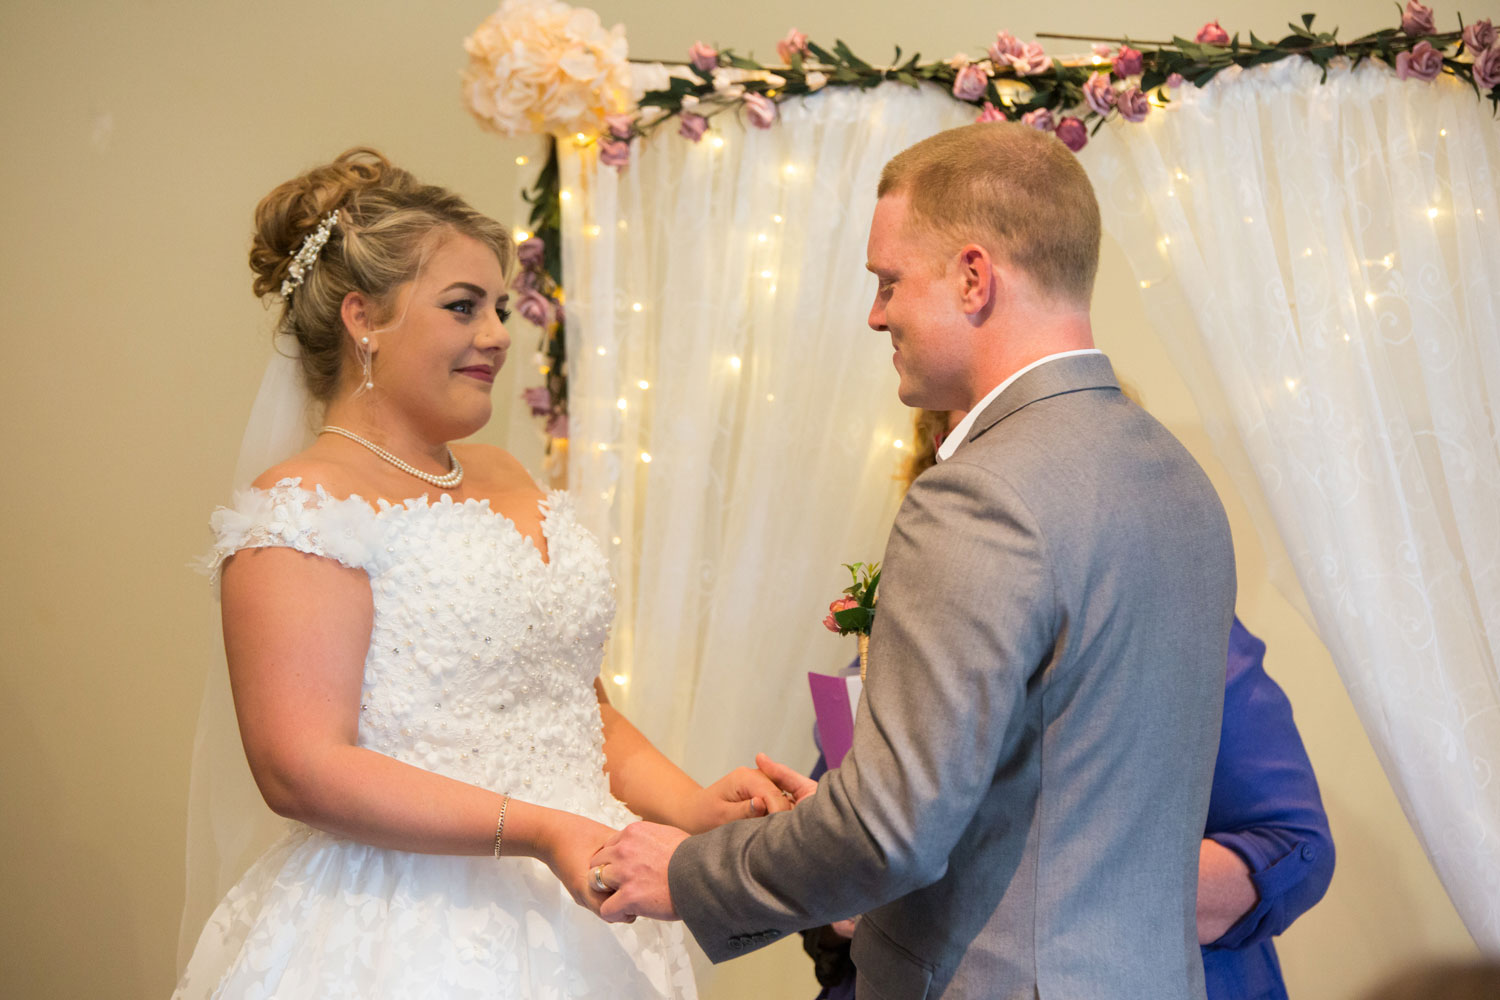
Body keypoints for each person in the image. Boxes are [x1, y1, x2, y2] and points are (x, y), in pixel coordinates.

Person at [591, 121, 1237, 999]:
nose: (875, 312)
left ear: (973, 277)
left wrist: (691, 871)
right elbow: (1070, 783)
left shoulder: (979, 493)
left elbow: (893, 835)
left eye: (889, 281)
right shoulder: (1177, 475)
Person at [173, 148, 790, 999]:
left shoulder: (504, 472)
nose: (499, 335)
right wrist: (537, 830)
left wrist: (694, 808)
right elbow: (301, 767)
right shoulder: (304, 509)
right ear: (364, 319)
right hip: (401, 929)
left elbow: (572, 704)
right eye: (464, 307)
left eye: (500, 307)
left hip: (579, 909)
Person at [803, 408, 1336, 1000]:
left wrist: (1025, 899)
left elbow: (1292, 846)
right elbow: (844, 835)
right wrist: (826, 871)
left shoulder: (1172, 622)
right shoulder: (890, 644)